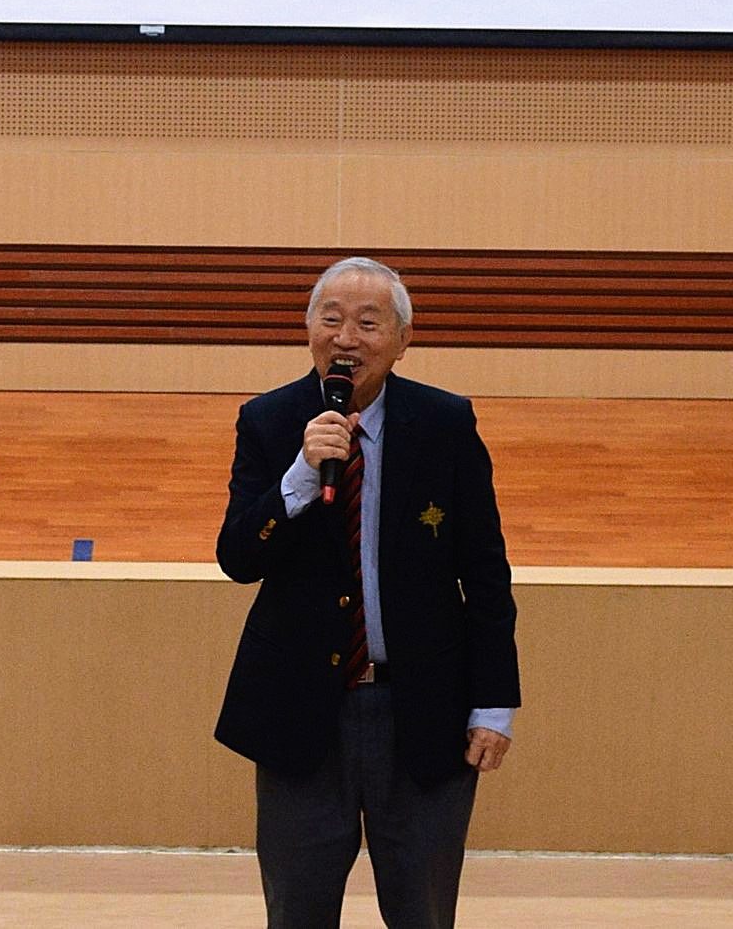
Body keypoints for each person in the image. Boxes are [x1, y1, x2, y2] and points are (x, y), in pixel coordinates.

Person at [214, 256, 521, 928]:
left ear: (403, 340)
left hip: (423, 711)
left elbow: (485, 571)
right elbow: (238, 557)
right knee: (297, 912)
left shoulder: (444, 424)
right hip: (302, 712)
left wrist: (495, 702)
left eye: (368, 323)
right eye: (331, 319)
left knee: (423, 912)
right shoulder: (269, 421)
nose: (346, 337)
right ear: (309, 331)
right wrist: (300, 477)